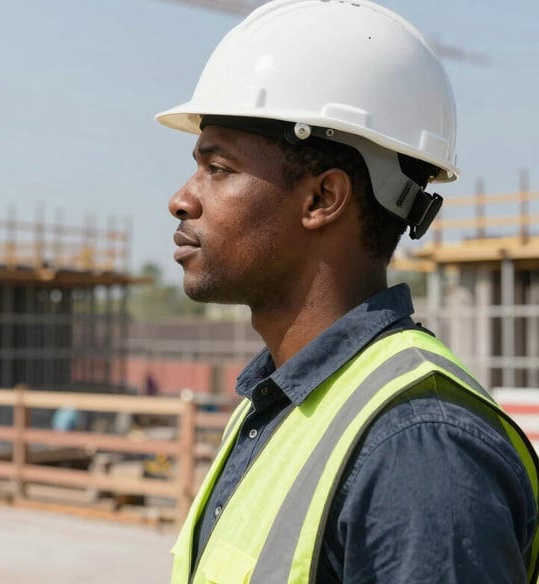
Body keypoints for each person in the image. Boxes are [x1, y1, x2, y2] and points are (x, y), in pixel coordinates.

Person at [154, 1, 539, 582]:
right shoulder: (279, 406)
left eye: (219, 167)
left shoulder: (420, 450)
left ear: (321, 200)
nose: (182, 199)